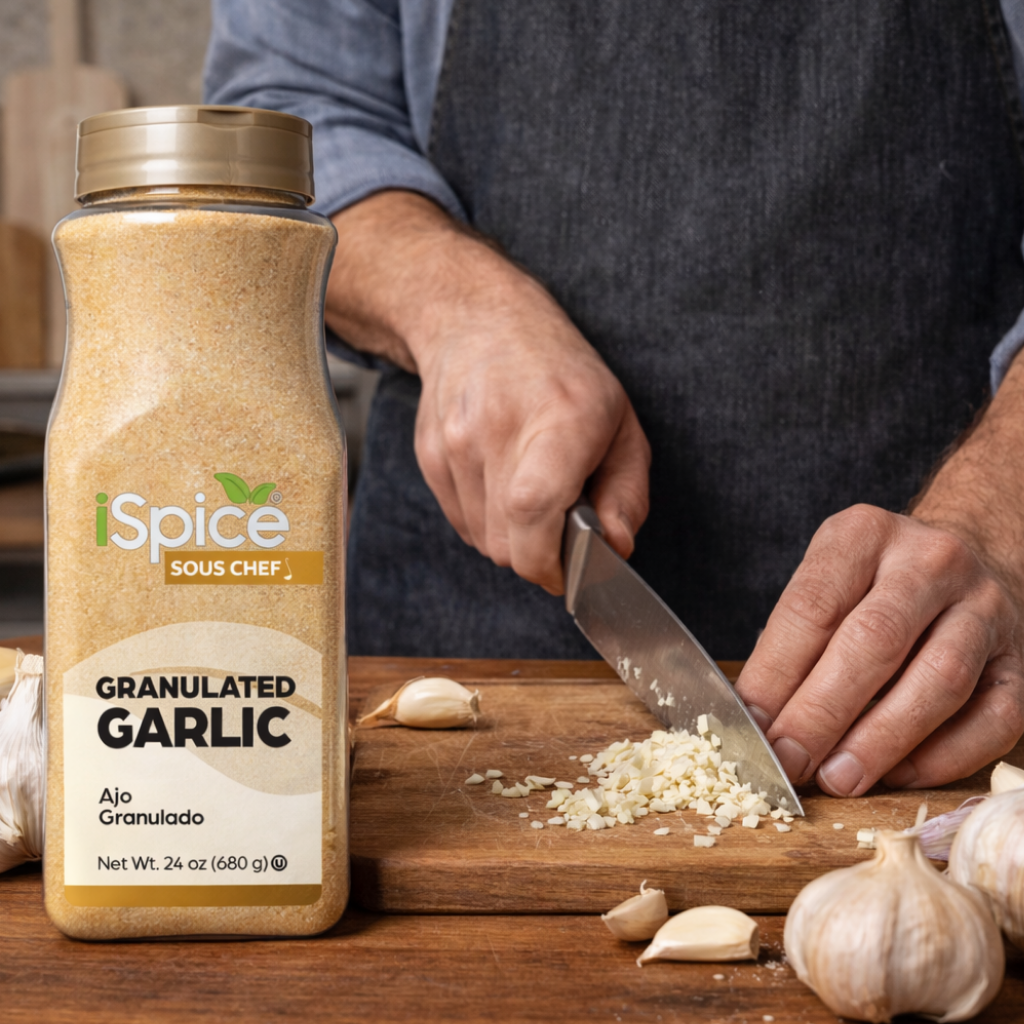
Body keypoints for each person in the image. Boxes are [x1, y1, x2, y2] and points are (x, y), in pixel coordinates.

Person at [204, 1, 1024, 798]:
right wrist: (453, 303)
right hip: (469, 618)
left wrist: (996, 515)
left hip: (961, 632)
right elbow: (281, 119)